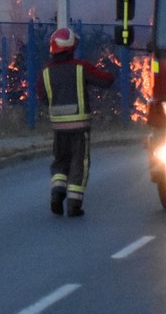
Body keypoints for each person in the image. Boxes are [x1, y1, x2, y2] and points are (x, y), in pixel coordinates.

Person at [41, 27, 114, 217]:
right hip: (79, 127)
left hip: (58, 127)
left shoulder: (46, 72)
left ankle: (57, 192)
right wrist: (111, 72)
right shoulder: (81, 67)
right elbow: (105, 80)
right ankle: (74, 204)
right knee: (79, 163)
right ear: (71, 48)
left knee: (60, 161)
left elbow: (42, 95)